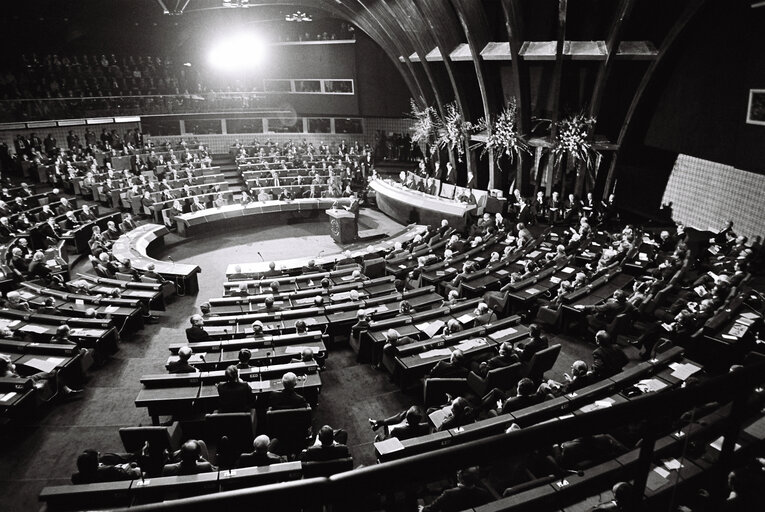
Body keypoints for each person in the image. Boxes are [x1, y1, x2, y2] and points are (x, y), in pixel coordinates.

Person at [420, 467, 490, 512]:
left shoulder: (448, 494)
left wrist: (421, 509)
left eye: (458, 473)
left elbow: (431, 510)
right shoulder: (483, 493)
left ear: (460, 478)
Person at [71, 449, 141, 484]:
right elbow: (133, 475)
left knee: (106, 457)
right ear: (95, 464)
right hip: (119, 495)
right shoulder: (110, 470)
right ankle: (138, 455)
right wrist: (124, 467)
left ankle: (135, 455)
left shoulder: (76, 478)